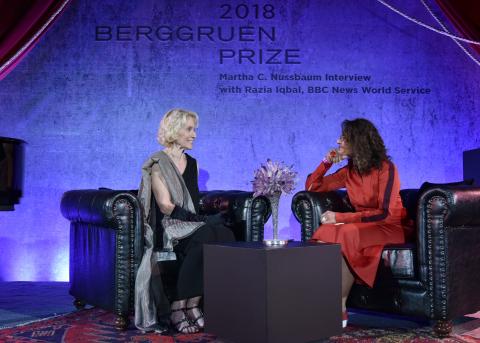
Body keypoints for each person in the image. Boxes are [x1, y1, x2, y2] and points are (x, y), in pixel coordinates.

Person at [135, 109, 235, 333]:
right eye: (189, 129)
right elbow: (165, 205)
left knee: (226, 234)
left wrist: (205, 219)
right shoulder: (158, 163)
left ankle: (193, 304)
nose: (194, 135)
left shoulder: (193, 163)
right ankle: (178, 306)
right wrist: (201, 220)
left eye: (195, 129)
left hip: (189, 224)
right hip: (168, 227)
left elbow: (193, 200)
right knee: (208, 232)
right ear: (174, 130)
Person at [305, 118, 410, 328]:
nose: (338, 141)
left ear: (358, 141)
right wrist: (325, 162)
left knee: (345, 231)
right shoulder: (348, 171)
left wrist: (341, 218)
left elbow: (384, 213)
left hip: (389, 225)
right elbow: (312, 186)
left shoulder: (386, 168)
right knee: (326, 231)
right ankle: (318, 301)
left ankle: (339, 307)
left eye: (343, 138)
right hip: (365, 224)